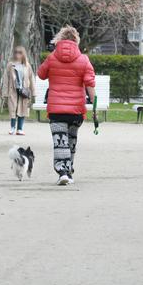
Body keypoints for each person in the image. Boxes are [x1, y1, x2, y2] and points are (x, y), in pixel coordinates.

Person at [37, 25, 96, 186]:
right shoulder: (84, 60)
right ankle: (68, 171)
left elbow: (41, 74)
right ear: (76, 41)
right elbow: (90, 84)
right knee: (71, 140)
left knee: (59, 142)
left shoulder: (52, 57)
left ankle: (62, 171)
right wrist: (95, 106)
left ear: (59, 40)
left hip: (56, 109)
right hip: (76, 110)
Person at [2, 46, 35, 136]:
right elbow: (6, 79)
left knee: (23, 109)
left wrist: (34, 92)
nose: (17, 54)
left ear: (23, 54)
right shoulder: (10, 65)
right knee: (13, 109)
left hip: (24, 91)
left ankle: (20, 128)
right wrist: (5, 93)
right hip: (13, 90)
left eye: (20, 53)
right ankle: (12, 127)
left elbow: (31, 79)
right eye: (16, 52)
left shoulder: (27, 65)